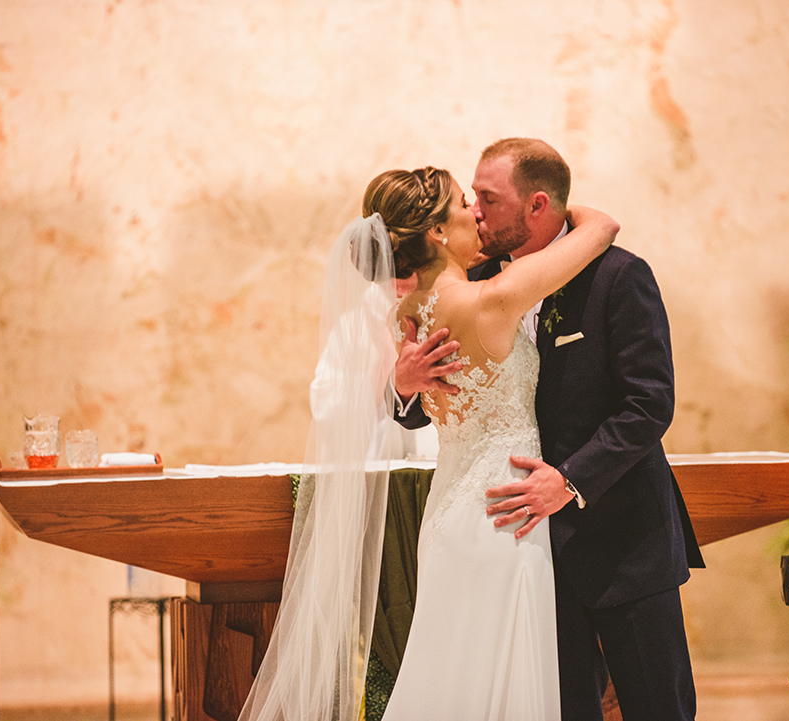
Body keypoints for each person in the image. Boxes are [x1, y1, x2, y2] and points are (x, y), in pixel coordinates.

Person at [239, 164, 619, 721]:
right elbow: (602, 226)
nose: (477, 215)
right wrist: (557, 208)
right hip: (505, 517)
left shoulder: (405, 316)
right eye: (467, 205)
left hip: (451, 517)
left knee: (455, 680)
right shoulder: (491, 300)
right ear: (437, 233)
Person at [395, 138, 704, 721]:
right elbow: (437, 397)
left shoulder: (619, 276)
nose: (477, 212)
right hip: (525, 551)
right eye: (473, 199)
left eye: (488, 198)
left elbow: (648, 405)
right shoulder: (474, 282)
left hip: (621, 542)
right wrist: (403, 385)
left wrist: (570, 481)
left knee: (656, 709)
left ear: (537, 205)